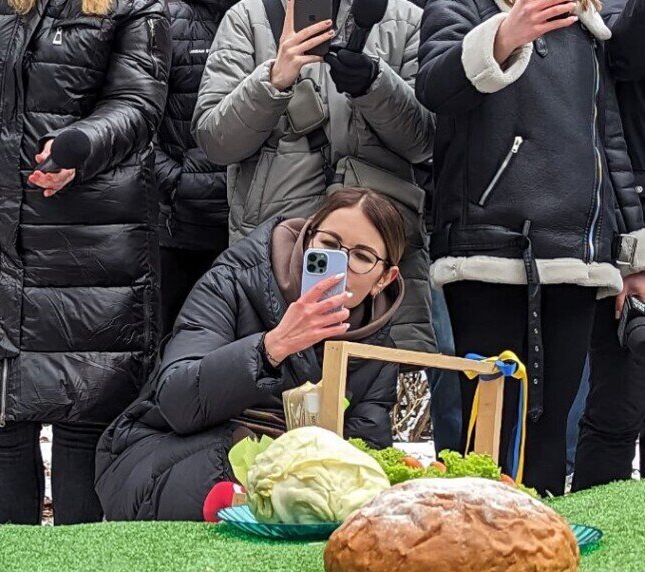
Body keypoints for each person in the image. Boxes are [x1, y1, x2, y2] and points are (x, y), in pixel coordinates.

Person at [0, 0, 171, 525]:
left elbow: (139, 100)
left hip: (90, 230)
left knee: (85, 409)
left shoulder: (135, 5)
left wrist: (81, 145)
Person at [416, 0, 645, 496]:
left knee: (549, 437)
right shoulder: (464, 5)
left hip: (576, 258)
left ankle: (539, 558)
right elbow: (434, 85)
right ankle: (474, 557)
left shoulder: (588, 27)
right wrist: (502, 36)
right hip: (486, 252)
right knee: (486, 435)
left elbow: (608, 145)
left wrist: (631, 255)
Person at [97, 189, 405, 521]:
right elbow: (176, 399)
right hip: (174, 450)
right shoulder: (231, 281)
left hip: (291, 478)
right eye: (328, 245)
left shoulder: (377, 347)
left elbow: (364, 449)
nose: (340, 267)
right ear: (306, 239)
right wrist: (271, 347)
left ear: (383, 278)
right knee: (224, 484)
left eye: (361, 257)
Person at [194, 0, 436, 354]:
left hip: (379, 258)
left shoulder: (406, 20)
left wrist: (375, 85)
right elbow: (216, 142)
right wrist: (273, 79)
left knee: (386, 392)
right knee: (274, 396)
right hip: (276, 252)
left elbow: (425, 142)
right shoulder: (248, 17)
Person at [573, 0, 645, 491]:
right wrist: (634, 256)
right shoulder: (614, 17)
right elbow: (609, 139)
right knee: (617, 408)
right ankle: (595, 544)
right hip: (629, 227)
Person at [155, 0, 239, 329]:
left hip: (251, 226)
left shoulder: (268, 15)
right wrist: (177, 184)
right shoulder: (167, 18)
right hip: (179, 230)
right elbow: (139, 114)